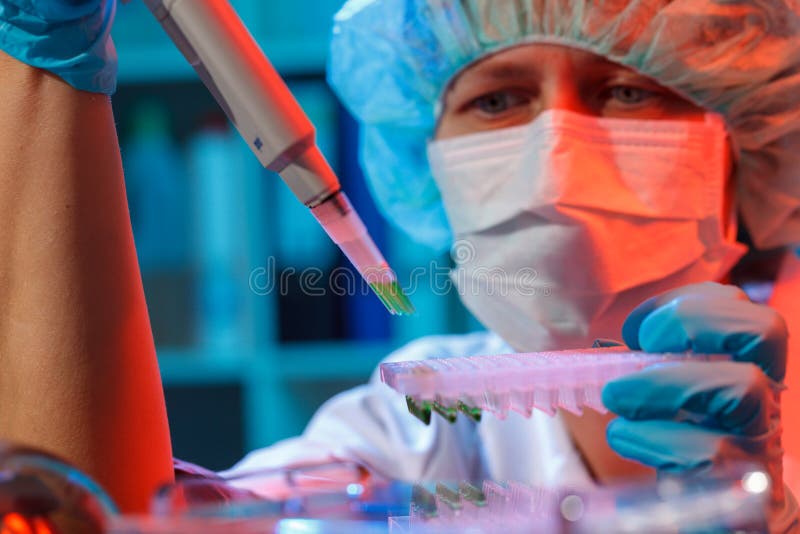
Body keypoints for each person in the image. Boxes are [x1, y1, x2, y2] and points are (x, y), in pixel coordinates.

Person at [1, 0, 799, 528]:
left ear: (747, 144)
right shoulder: (418, 426)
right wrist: (49, 63)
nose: (556, 157)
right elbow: (94, 512)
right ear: (425, 158)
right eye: (497, 99)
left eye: (627, 91)